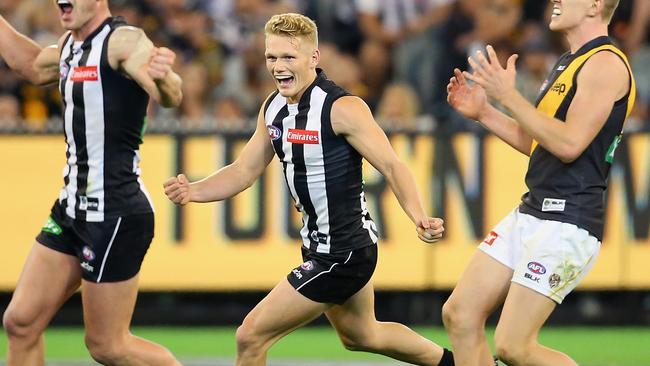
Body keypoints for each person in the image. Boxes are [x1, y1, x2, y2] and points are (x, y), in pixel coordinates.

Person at [164, 12, 454, 366]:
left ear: (314, 58)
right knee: (363, 335)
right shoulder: (272, 107)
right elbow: (244, 170)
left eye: (289, 57)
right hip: (325, 247)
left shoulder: (342, 108)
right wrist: (194, 190)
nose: (278, 66)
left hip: (343, 252)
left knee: (250, 335)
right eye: (272, 57)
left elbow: (393, 164)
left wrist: (419, 215)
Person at [442, 0, 635, 365]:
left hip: (567, 220)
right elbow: (540, 143)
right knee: (460, 314)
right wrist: (485, 112)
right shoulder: (568, 61)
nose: (555, 1)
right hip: (533, 211)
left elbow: (568, 144)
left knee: (513, 346)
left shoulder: (606, 64)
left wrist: (508, 96)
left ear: (594, 5)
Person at [0, 1, 183, 365]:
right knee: (20, 321)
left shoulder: (122, 41)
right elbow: (32, 65)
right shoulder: (69, 46)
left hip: (113, 213)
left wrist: (163, 77)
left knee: (108, 346)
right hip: (71, 210)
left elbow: (170, 94)